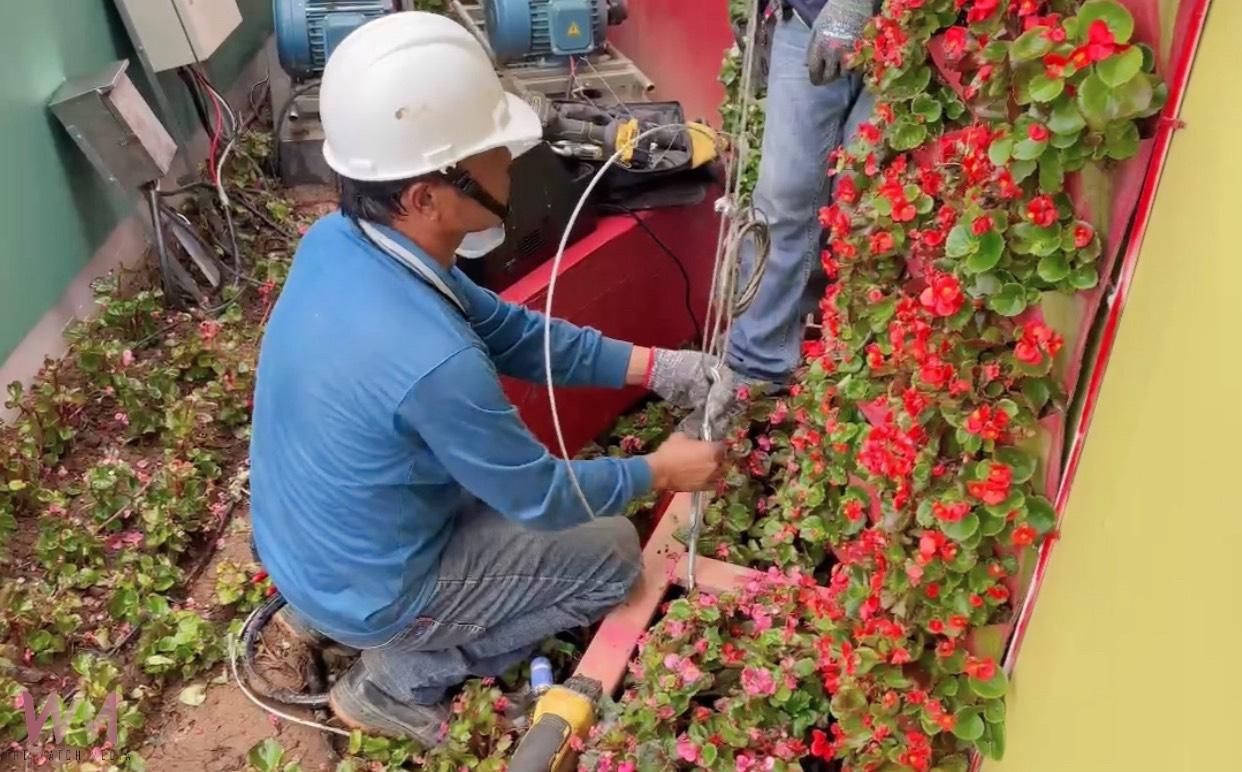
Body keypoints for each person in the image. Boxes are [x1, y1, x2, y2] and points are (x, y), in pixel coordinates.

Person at [248, 12, 722, 744]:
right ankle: (395, 680)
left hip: (313, 549)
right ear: (425, 197)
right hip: (374, 590)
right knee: (610, 558)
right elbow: (537, 496)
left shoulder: (343, 241)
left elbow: (510, 331)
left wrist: (659, 367)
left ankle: (341, 611)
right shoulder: (430, 362)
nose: (509, 158)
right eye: (488, 150)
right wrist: (658, 470)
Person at [698, 0, 878, 430]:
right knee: (782, 196)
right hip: (806, 16)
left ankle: (844, 380)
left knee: (862, 203)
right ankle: (756, 373)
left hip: (916, 31)